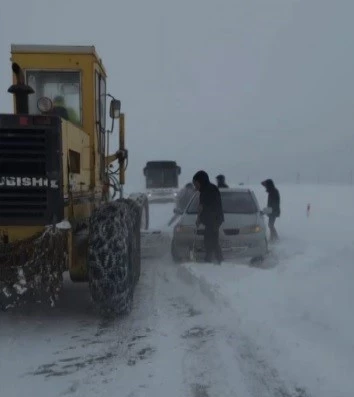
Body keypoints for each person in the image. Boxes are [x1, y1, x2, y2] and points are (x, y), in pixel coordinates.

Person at [193, 170, 224, 264]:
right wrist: (199, 218)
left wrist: (201, 215)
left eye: (196, 183)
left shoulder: (210, 190)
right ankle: (213, 258)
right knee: (209, 240)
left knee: (212, 240)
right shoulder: (204, 190)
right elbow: (202, 207)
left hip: (214, 220)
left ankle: (217, 260)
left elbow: (210, 207)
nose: (195, 186)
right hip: (210, 221)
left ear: (202, 181)